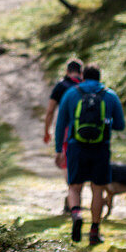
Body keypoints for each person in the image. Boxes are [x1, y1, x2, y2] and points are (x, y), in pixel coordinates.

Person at [54, 64, 125, 246]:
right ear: (99, 77)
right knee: (97, 190)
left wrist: (58, 150)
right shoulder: (109, 95)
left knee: (74, 187)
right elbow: (120, 125)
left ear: (83, 77)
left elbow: (61, 123)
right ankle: (94, 231)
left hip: (76, 147)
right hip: (101, 148)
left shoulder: (71, 94)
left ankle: (76, 214)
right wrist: (106, 121)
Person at [44, 58, 83, 214]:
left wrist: (47, 130)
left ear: (67, 72)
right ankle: (74, 199)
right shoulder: (85, 86)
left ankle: (71, 200)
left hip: (67, 132)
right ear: (81, 72)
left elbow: (50, 110)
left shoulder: (61, 86)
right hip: (86, 132)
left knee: (67, 165)